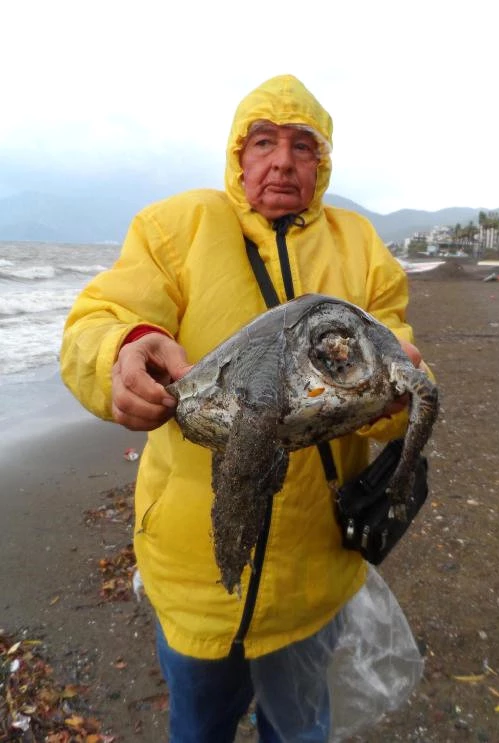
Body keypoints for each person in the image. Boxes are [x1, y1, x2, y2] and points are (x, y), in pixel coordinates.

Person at [61, 74, 425, 743]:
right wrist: (121, 352)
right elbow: (98, 317)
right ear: (238, 156)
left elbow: (400, 364)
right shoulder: (177, 227)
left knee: (300, 729)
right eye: (263, 142)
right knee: (199, 727)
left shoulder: (361, 247)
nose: (282, 160)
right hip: (192, 571)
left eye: (302, 145)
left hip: (315, 574)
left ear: (324, 161)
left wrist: (390, 393)